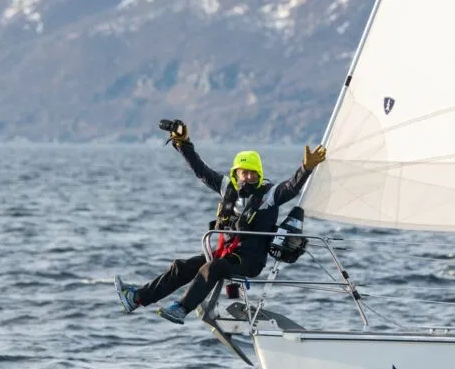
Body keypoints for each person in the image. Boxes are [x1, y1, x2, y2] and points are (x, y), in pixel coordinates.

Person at [114, 122, 326, 325]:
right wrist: (183, 144)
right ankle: (136, 298)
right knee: (182, 267)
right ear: (236, 174)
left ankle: (181, 309)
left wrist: (306, 168)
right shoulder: (227, 187)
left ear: (259, 175)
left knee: (213, 267)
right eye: (244, 173)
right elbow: (201, 170)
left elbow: (290, 188)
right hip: (225, 254)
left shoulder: (269, 195)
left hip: (250, 262)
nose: (248, 177)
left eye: (253, 174)